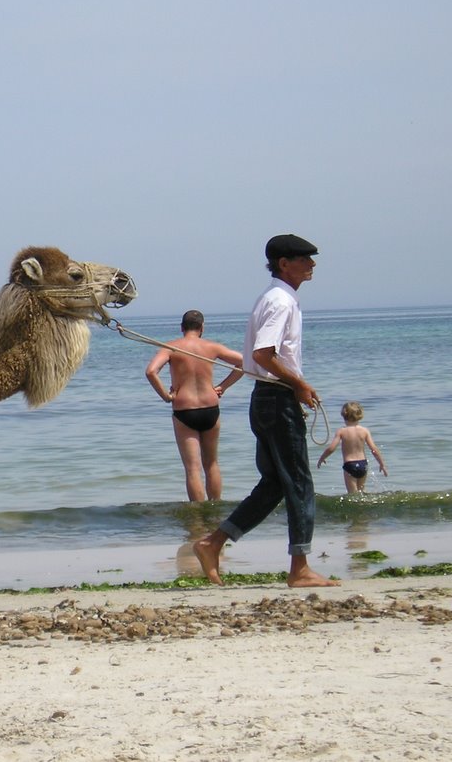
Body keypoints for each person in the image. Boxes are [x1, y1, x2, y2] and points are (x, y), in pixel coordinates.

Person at [194, 233, 340, 588]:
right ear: (284, 264)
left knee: (275, 484)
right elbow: (263, 354)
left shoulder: (275, 298)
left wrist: (294, 385)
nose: (312, 264)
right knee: (300, 483)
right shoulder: (281, 301)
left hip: (265, 398)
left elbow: (259, 358)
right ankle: (300, 569)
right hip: (276, 399)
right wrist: (299, 384)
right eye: (304, 258)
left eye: (311, 258)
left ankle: (212, 543)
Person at [145, 310, 244, 502]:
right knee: (212, 463)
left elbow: (151, 372)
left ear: (182, 328)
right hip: (210, 409)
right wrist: (223, 386)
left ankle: (198, 517)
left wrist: (166, 395)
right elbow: (243, 362)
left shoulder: (172, 347)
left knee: (192, 469)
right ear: (202, 327)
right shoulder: (212, 347)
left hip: (185, 410)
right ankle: (214, 510)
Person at [317, 401, 389, 493]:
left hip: (350, 465)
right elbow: (373, 449)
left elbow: (332, 448)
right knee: (361, 491)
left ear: (343, 414)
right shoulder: (364, 431)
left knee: (352, 494)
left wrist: (322, 458)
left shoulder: (341, 431)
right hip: (363, 464)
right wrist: (382, 464)